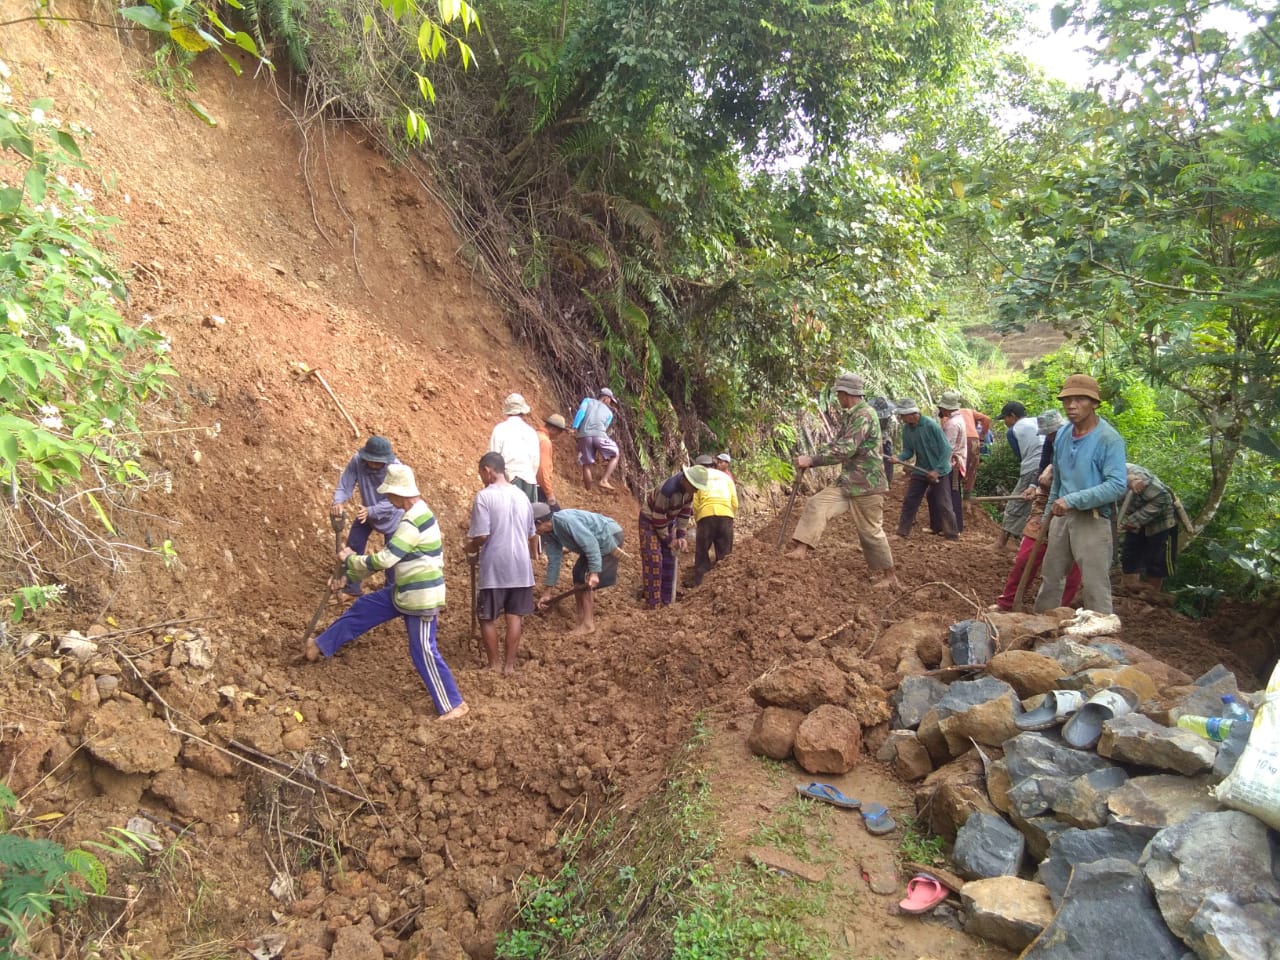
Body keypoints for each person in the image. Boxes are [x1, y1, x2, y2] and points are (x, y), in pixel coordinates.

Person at [306, 465, 467, 721]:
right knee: (364, 608)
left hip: (420, 597)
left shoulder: (414, 520)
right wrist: (349, 574)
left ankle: (453, 704)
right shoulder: (414, 514)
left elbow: (386, 559)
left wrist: (351, 561)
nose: (386, 500)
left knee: (423, 649)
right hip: (405, 591)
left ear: (399, 494)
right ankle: (320, 645)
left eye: (388, 494)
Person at [784, 374, 899, 588]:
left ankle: (890, 576)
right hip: (848, 483)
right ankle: (801, 549)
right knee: (817, 504)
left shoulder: (864, 415)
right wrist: (814, 456)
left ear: (846, 394)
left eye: (839, 394)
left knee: (871, 532)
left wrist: (812, 460)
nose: (837, 397)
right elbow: (837, 443)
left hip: (867, 485)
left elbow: (845, 450)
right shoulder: (851, 415)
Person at [1034, 374, 1127, 615]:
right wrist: (1048, 514)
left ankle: (1103, 637)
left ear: (1094, 403)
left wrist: (1073, 500)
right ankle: (1043, 626)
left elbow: (1117, 485)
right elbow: (1059, 478)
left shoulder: (1108, 439)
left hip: (1093, 519)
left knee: (1095, 585)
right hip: (1061, 516)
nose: (1071, 406)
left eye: (1079, 400)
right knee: (1051, 577)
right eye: (1067, 400)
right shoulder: (1063, 434)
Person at [466, 452, 537, 674]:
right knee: (514, 616)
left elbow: (482, 536)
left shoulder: (485, 497)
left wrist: (469, 547)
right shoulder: (522, 496)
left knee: (486, 617)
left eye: (481, 474)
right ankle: (509, 666)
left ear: (487, 470)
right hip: (521, 567)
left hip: (496, 567)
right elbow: (531, 533)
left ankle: (494, 664)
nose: (481, 478)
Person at [991, 465, 1082, 611]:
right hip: (1046, 500)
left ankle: (1059, 612)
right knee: (1025, 558)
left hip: (1080, 507)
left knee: (1071, 567)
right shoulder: (1059, 444)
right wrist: (1034, 484)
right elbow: (1045, 459)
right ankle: (1008, 602)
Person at [330, 436, 404, 602]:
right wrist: (339, 501)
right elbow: (345, 483)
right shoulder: (357, 461)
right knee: (353, 544)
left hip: (392, 516)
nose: (375, 465)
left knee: (391, 557)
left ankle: (390, 595)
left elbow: (396, 500)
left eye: (379, 462)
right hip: (367, 512)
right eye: (372, 461)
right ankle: (352, 587)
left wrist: (372, 510)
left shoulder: (396, 469)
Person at [533, 502, 625, 634]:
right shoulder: (548, 533)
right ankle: (580, 618)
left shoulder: (566, 522)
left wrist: (594, 572)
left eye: (533, 527)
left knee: (585, 578)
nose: (534, 531)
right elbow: (554, 560)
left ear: (540, 522)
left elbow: (591, 544)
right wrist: (547, 593)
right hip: (594, 541)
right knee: (577, 573)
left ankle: (588, 625)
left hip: (607, 536)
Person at [639, 465, 709, 607]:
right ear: (686, 480)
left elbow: (685, 512)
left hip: (668, 522)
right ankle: (653, 604)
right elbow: (658, 517)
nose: (697, 490)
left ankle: (666, 601)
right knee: (654, 559)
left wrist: (681, 535)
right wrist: (669, 540)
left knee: (669, 559)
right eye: (695, 487)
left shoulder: (689, 492)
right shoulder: (668, 489)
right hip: (650, 521)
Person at [893, 399, 959, 540]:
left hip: (940, 470)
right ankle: (902, 532)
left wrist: (937, 470)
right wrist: (899, 458)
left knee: (944, 503)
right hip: (921, 469)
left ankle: (952, 535)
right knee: (910, 500)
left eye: (902, 415)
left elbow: (946, 449)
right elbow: (909, 451)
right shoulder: (907, 429)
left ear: (911, 414)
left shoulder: (931, 425)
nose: (901, 418)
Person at [1120, 463, 1179, 601]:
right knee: (1130, 556)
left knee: (1157, 560)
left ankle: (1151, 598)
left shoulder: (1139, 477)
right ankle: (1130, 593)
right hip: (1135, 518)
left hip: (1161, 522)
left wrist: (1134, 520)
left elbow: (1164, 498)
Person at [996, 401, 1044, 550]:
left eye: (1005, 418)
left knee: (1015, 504)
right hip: (1051, 466)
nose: (1005, 422)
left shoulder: (1013, 431)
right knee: (1041, 506)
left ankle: (1000, 543)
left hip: (1033, 468)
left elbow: (1020, 456)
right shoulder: (1038, 421)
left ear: (1013, 416)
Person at [691, 460, 737, 586]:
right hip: (726, 514)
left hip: (706, 515)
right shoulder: (726, 478)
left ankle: (699, 584)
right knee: (725, 554)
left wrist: (698, 519)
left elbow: (696, 503)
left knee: (702, 551)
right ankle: (724, 584)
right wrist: (730, 516)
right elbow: (734, 502)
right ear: (714, 465)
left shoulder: (700, 478)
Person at [489, 393, 541, 502]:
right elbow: (535, 462)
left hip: (508, 479)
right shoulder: (531, 432)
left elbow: (493, 459)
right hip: (529, 480)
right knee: (528, 516)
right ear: (523, 412)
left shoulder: (499, 429)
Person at [572, 388, 621, 490]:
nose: (610, 403)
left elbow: (581, 413)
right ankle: (604, 480)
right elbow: (604, 428)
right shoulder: (609, 413)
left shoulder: (587, 401)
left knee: (586, 465)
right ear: (606, 398)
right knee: (615, 453)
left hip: (584, 435)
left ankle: (588, 491)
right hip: (599, 436)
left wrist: (574, 427)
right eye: (610, 401)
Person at [938, 390, 968, 534]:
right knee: (954, 495)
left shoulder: (952, 424)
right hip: (958, 461)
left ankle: (953, 527)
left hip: (951, 464)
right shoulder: (960, 420)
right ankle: (956, 526)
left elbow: (947, 447)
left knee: (950, 496)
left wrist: (940, 466)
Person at [536, 413, 568, 511]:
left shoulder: (534, 434)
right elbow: (542, 470)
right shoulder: (545, 441)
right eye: (558, 433)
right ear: (553, 429)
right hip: (536, 486)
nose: (557, 437)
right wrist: (549, 495)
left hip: (524, 483)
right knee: (556, 516)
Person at [958, 405, 992, 494]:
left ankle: (955, 493)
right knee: (971, 469)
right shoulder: (969, 411)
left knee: (956, 467)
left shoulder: (947, 413)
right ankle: (967, 495)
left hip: (959, 438)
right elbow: (987, 419)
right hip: (973, 439)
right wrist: (981, 437)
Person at [869, 397, 897, 482]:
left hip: (886, 442)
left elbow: (892, 432)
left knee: (888, 462)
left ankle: (888, 481)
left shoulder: (892, 419)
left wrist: (883, 440)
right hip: (873, 442)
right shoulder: (869, 415)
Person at [1036, 409, 1064, 475]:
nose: (1048, 436)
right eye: (1046, 433)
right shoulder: (1049, 440)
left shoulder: (1070, 439)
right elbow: (1044, 463)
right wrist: (1033, 484)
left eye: (1051, 433)